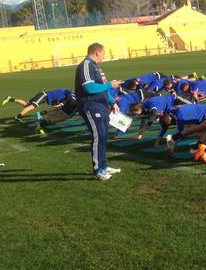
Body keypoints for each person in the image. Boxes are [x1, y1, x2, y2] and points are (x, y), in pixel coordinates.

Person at [74, 42, 122, 181]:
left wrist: (112, 102)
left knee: (103, 135)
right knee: (98, 135)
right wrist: (110, 84)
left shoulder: (96, 67)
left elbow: (103, 89)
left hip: (101, 106)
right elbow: (89, 88)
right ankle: (97, 170)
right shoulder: (86, 65)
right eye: (103, 54)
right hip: (90, 106)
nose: (104, 57)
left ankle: (104, 165)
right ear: (97, 53)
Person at [2, 88, 74, 122]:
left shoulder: (66, 92)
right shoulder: (68, 93)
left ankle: (10, 99)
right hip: (44, 96)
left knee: (26, 104)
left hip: (43, 95)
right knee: (32, 107)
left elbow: (56, 101)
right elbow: (58, 102)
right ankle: (17, 117)